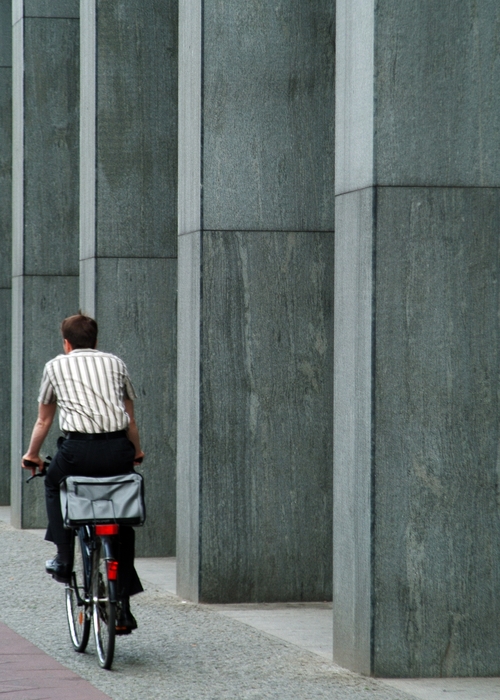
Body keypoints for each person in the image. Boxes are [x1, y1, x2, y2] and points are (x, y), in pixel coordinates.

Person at [22, 313, 145, 634]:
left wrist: (32, 454)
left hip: (77, 453)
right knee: (121, 521)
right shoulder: (116, 364)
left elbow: (44, 421)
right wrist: (137, 451)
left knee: (52, 482)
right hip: (118, 449)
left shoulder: (55, 366)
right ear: (96, 341)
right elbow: (130, 419)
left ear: (66, 343)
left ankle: (63, 558)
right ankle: (123, 609)